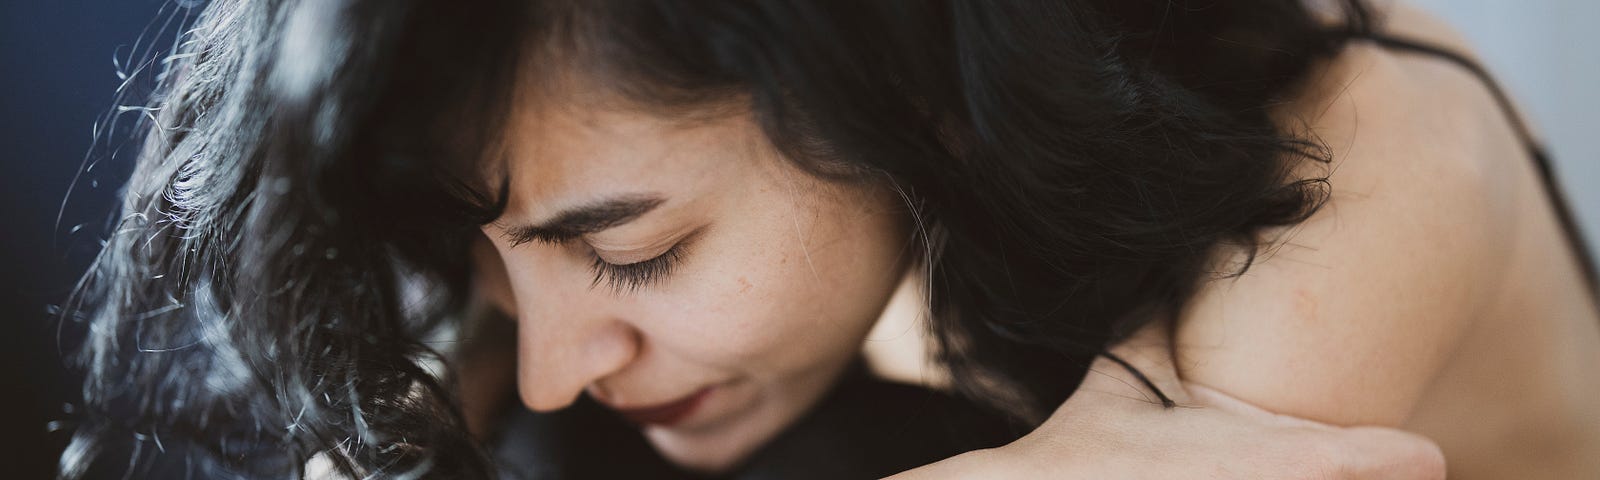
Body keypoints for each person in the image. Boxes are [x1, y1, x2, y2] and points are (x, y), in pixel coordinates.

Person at [57, 0, 1596, 478]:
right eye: (487, 260)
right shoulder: (947, 200)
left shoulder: (1358, 171)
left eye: (637, 254)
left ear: (913, 91)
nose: (554, 369)